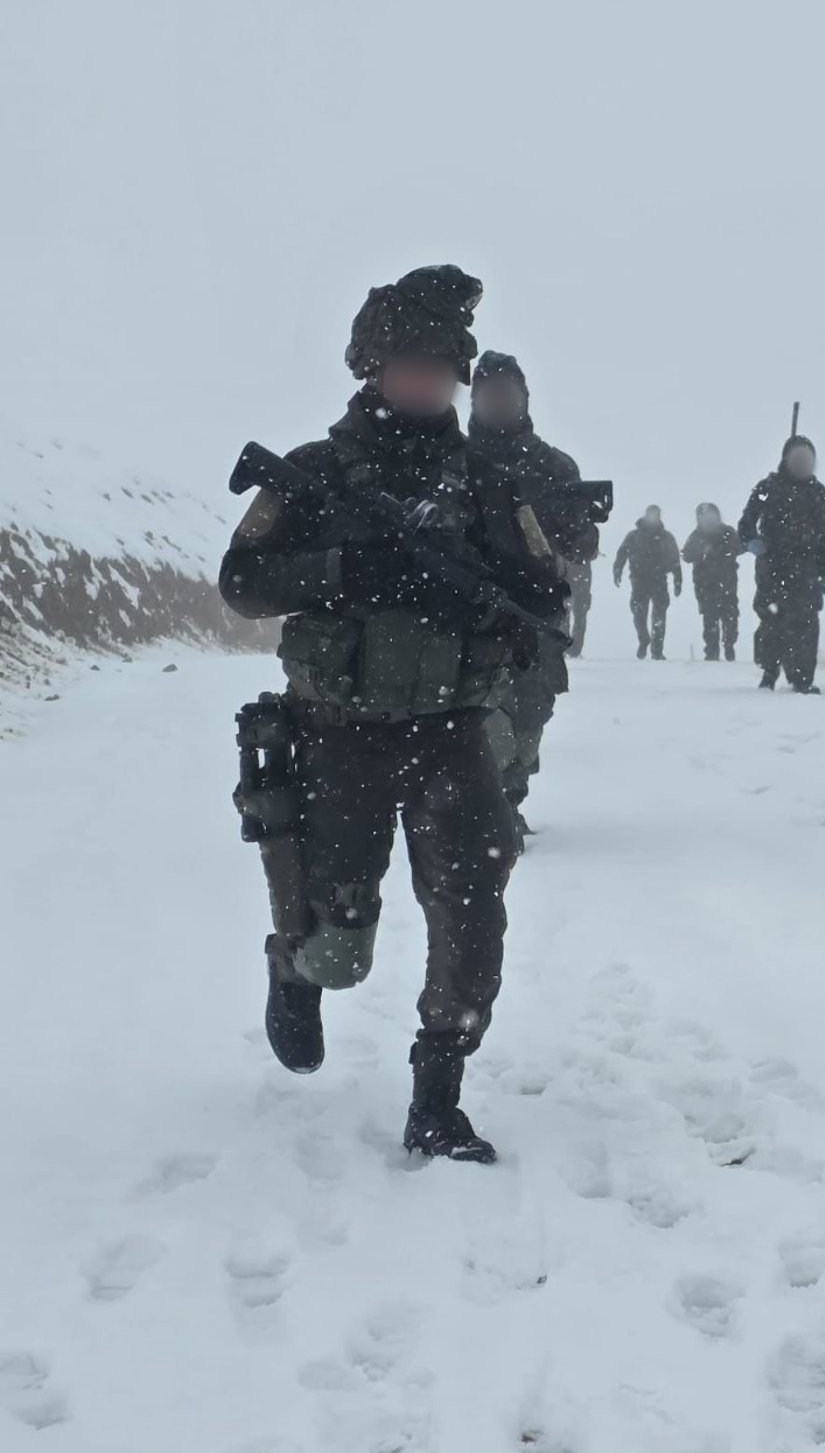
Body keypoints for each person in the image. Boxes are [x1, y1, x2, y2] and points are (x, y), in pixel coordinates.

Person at [220, 265, 566, 1164]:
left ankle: (437, 1094)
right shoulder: (312, 474)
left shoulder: (489, 482)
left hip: (453, 733)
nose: (424, 380)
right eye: (406, 362)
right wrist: (343, 571)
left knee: (473, 916)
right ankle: (293, 971)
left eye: (440, 366)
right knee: (341, 954)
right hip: (340, 736)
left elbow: (543, 594)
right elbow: (241, 582)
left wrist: (506, 613)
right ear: (370, 366)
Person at [466, 350, 600, 839]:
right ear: (475, 400)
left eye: (508, 394)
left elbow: (585, 547)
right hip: (471, 606)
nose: (499, 403)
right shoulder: (455, 459)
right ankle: (487, 805)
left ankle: (511, 797)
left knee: (531, 710)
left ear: (524, 400)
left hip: (539, 609)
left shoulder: (553, 465)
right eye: (490, 394)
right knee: (479, 712)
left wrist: (572, 524)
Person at [739, 435, 825, 693]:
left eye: (808, 459)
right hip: (773, 567)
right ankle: (769, 672)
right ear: (786, 460)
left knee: (806, 624)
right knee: (772, 620)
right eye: (798, 459)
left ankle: (802, 680)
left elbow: (824, 536)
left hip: (807, 570)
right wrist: (753, 542)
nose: (804, 464)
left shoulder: (818, 493)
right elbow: (745, 525)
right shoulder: (767, 488)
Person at [614, 507, 682, 659]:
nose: (652, 518)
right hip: (639, 580)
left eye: (655, 515)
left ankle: (657, 650)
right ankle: (643, 638)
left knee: (659, 617)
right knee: (638, 613)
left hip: (659, 581)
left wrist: (678, 581)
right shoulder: (634, 536)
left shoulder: (666, 537)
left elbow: (675, 560)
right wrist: (617, 570)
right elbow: (622, 553)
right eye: (650, 515)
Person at [682, 503, 742, 660]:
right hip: (705, 585)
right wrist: (701, 551)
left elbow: (740, 547)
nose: (709, 520)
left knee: (730, 617)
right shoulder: (696, 536)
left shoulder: (728, 532)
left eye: (712, 517)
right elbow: (686, 555)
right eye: (705, 517)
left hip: (727, 583)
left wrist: (724, 552)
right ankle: (711, 651)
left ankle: (729, 645)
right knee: (710, 619)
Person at [564, 553, 593, 657]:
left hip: (567, 577)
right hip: (582, 578)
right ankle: (575, 649)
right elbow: (593, 553)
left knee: (564, 614)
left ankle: (566, 646)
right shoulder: (586, 538)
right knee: (579, 615)